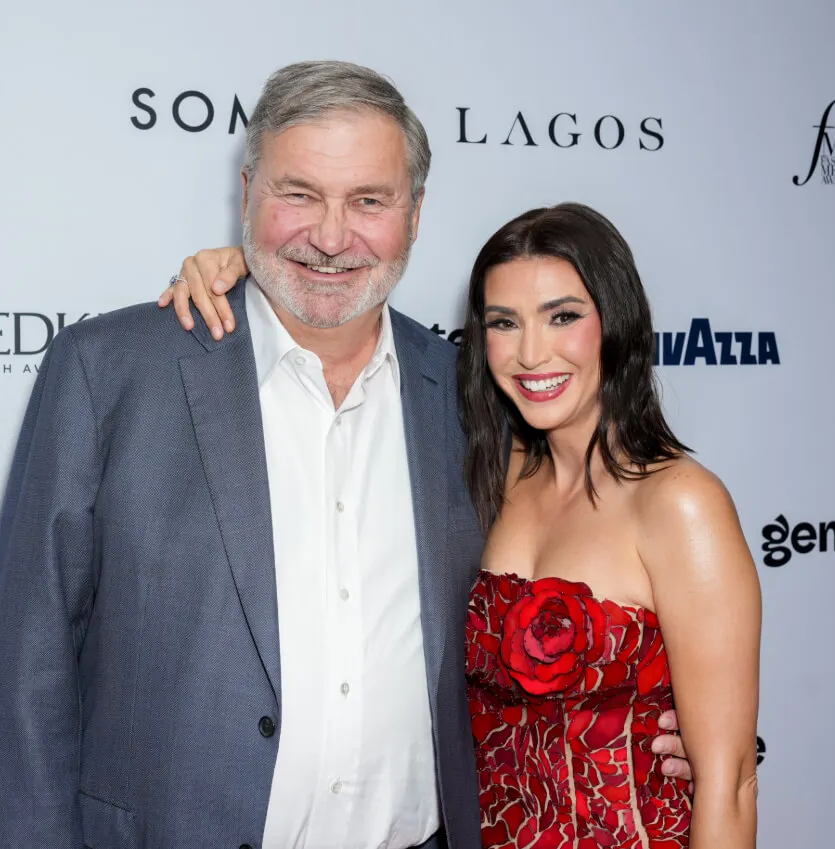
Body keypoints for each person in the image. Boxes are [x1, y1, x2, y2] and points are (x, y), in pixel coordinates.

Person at [0, 59, 692, 849]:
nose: (332, 235)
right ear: (247, 192)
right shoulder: (108, 371)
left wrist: (688, 738)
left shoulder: (474, 396)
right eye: (299, 194)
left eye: (369, 201)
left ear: (414, 214)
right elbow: (22, 680)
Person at [158, 201, 760, 849]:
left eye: (563, 316)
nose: (532, 353)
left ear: (616, 321)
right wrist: (249, 268)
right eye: (505, 322)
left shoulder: (680, 503)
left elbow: (729, 782)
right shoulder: (483, 473)